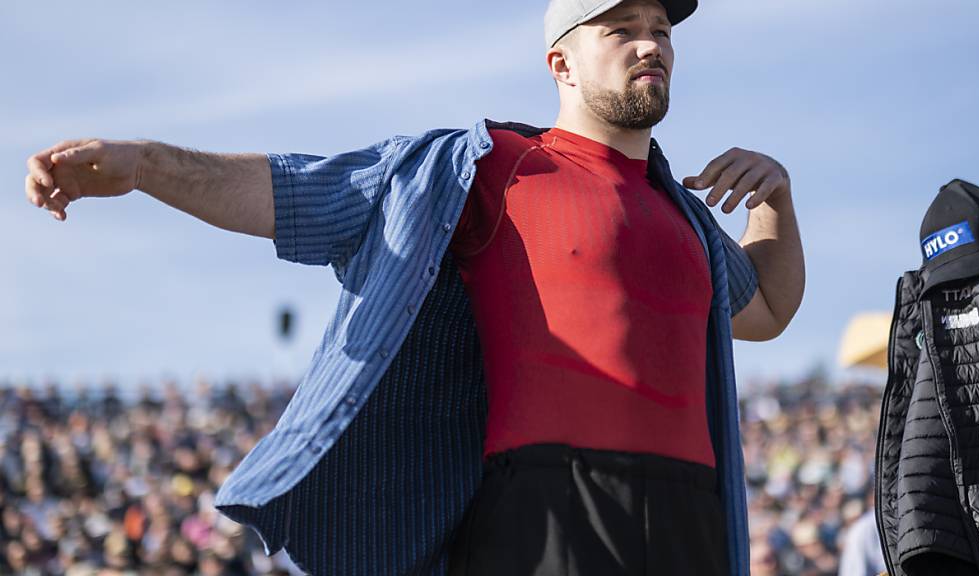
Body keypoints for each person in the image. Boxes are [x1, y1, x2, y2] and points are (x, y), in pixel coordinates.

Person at [23, 0, 805, 573]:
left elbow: (766, 308)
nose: (649, 43)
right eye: (621, 27)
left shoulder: (684, 214)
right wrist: (146, 166)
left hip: (693, 514)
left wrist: (776, 199)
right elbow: (293, 193)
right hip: (546, 510)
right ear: (559, 62)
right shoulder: (482, 166)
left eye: (662, 30)